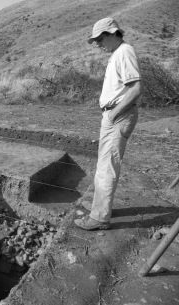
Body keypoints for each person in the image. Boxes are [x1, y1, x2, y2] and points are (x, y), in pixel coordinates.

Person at [75, 17, 142, 230]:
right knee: (105, 165)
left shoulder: (124, 52)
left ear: (113, 33)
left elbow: (135, 89)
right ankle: (102, 209)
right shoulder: (118, 53)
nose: (97, 43)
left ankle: (100, 218)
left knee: (106, 167)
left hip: (118, 117)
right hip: (116, 115)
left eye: (100, 38)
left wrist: (113, 115)